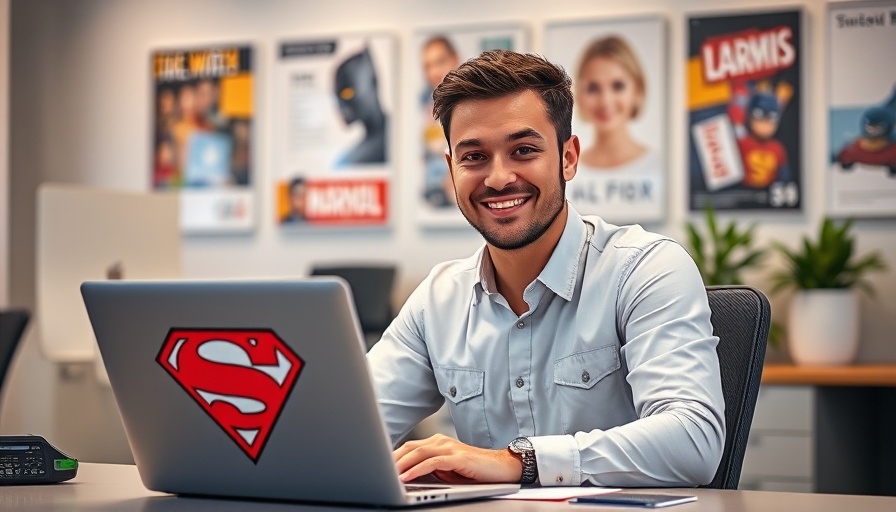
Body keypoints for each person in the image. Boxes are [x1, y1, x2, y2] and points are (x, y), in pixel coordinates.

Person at [366, 50, 725, 487]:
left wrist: (521, 461)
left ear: (568, 157)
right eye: (474, 157)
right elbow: (347, 432)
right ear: (451, 169)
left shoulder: (645, 269)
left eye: (524, 150)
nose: (498, 178)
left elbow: (694, 440)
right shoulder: (437, 299)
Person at [575, 36, 658, 173]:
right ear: (579, 94)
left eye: (618, 86)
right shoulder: (566, 172)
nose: (605, 101)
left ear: (638, 89)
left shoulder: (660, 167)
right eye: (593, 88)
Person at [420, 36, 460, 208]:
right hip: (432, 193)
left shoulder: (474, 103)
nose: (433, 72)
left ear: (455, 59)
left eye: (440, 62)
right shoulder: (422, 103)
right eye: (428, 66)